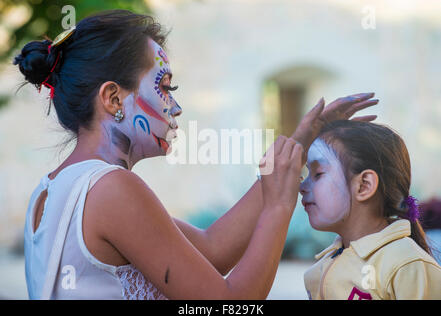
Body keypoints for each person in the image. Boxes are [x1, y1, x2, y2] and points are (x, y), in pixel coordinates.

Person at [14, 9, 378, 299]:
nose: (176, 107)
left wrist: (295, 148)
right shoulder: (111, 188)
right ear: (113, 99)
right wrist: (279, 205)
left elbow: (212, 249)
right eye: (164, 87)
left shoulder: (57, 186)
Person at [300, 120, 441, 300]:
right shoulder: (320, 268)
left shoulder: (407, 266)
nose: (302, 186)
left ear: (364, 185)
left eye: (318, 174)